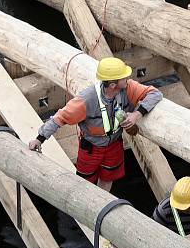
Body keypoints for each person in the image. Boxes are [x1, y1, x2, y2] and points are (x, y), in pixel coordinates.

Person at [28, 57, 162, 191]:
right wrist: (39, 139)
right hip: (91, 148)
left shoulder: (128, 87)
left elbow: (155, 94)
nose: (128, 78)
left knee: (108, 177)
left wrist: (136, 115)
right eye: (123, 77)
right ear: (112, 85)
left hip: (114, 144)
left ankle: (103, 201)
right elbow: (59, 118)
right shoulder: (87, 100)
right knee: (85, 183)